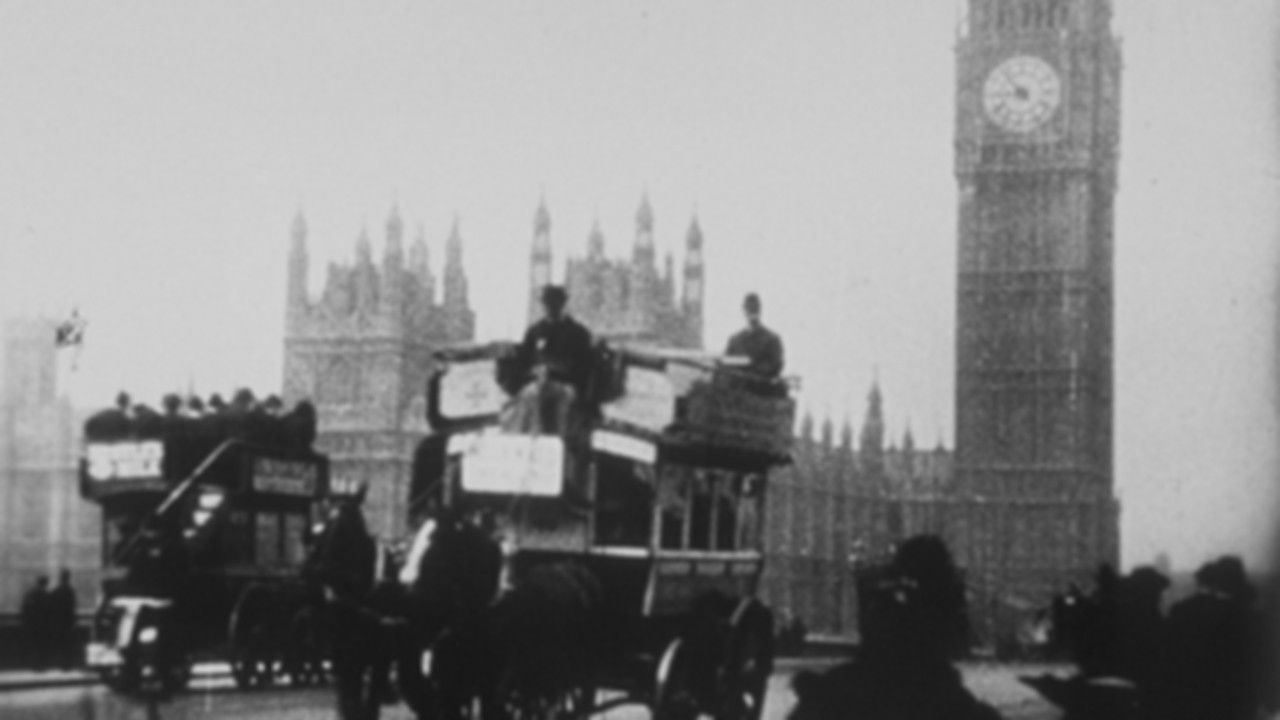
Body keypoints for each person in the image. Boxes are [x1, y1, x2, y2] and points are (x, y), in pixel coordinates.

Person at [506, 284, 594, 435]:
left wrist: (559, 371)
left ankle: (561, 444)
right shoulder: (535, 331)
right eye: (547, 303)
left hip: (566, 385)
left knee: (564, 401)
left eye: (555, 302)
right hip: (538, 384)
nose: (551, 307)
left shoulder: (577, 332)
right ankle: (533, 442)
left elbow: (585, 367)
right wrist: (534, 373)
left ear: (563, 303)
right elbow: (523, 363)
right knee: (530, 397)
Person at [725, 292, 784, 379]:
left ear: (759, 310)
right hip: (736, 388)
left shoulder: (772, 339)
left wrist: (751, 369)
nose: (752, 313)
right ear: (744, 310)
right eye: (749, 308)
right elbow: (727, 364)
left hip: (760, 389)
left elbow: (775, 366)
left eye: (755, 308)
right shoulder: (735, 340)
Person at [48, 569, 78, 670]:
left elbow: (51, 606)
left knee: (60, 642)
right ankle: (67, 664)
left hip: (57, 621)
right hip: (67, 621)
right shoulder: (70, 591)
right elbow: (72, 607)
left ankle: (60, 663)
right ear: (68, 578)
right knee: (67, 644)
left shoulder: (56, 590)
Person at [20, 576, 51, 670]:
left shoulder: (30, 594)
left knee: (34, 645)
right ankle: (41, 665)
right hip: (43, 625)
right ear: (45, 584)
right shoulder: (45, 595)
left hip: (32, 624)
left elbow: (25, 608)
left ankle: (34, 664)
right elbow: (49, 611)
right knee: (42, 646)